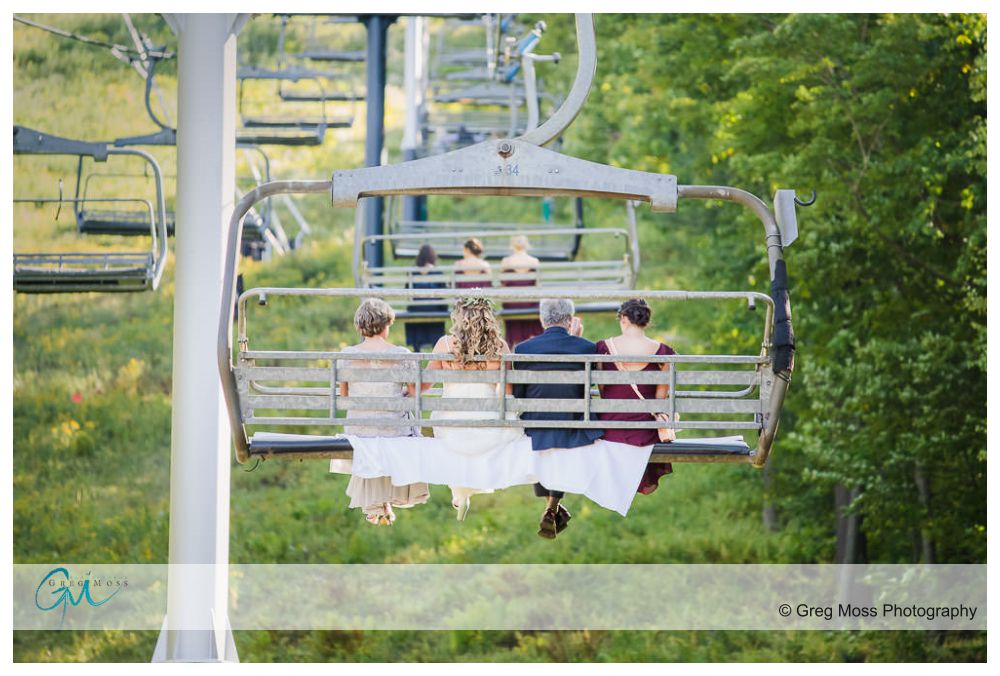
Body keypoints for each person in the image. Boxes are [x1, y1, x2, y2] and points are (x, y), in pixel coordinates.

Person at [332, 298, 429, 525]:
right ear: (386, 324)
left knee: (369, 435)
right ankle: (384, 501)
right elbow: (414, 393)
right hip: (393, 429)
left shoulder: (347, 355)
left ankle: (377, 504)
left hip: (360, 429)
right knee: (399, 427)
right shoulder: (401, 354)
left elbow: (345, 397)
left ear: (360, 326)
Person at [513, 298, 603, 539]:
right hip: (574, 421)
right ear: (570, 320)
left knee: (545, 441)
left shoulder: (523, 349)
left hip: (536, 423)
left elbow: (518, 394)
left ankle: (551, 507)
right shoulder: (586, 347)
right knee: (559, 442)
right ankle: (552, 507)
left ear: (542, 320)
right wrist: (577, 337)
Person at [428, 297, 522, 520]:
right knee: (483, 432)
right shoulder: (500, 346)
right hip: (488, 426)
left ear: (458, 317)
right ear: (488, 317)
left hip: (451, 424)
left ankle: (460, 492)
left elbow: (425, 383)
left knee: (456, 436)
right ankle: (463, 491)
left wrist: (406, 392)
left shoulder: (445, 345)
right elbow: (508, 390)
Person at [596, 298, 676, 495]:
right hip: (645, 431)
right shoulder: (664, 353)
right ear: (646, 321)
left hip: (611, 428)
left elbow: (603, 390)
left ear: (624, 319)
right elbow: (659, 400)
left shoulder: (602, 348)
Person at [500, 235, 544, 348]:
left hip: (511, 304)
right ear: (527, 245)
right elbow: (538, 285)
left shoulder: (506, 261)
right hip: (530, 303)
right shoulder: (534, 261)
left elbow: (502, 284)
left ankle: (512, 346)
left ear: (512, 245)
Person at [404, 244, 447, 351]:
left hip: (416, 309)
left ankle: (416, 348)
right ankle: (436, 348)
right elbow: (443, 294)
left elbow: (406, 292)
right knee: (437, 311)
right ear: (433, 257)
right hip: (435, 309)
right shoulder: (438, 272)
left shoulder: (413, 272)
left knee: (415, 311)